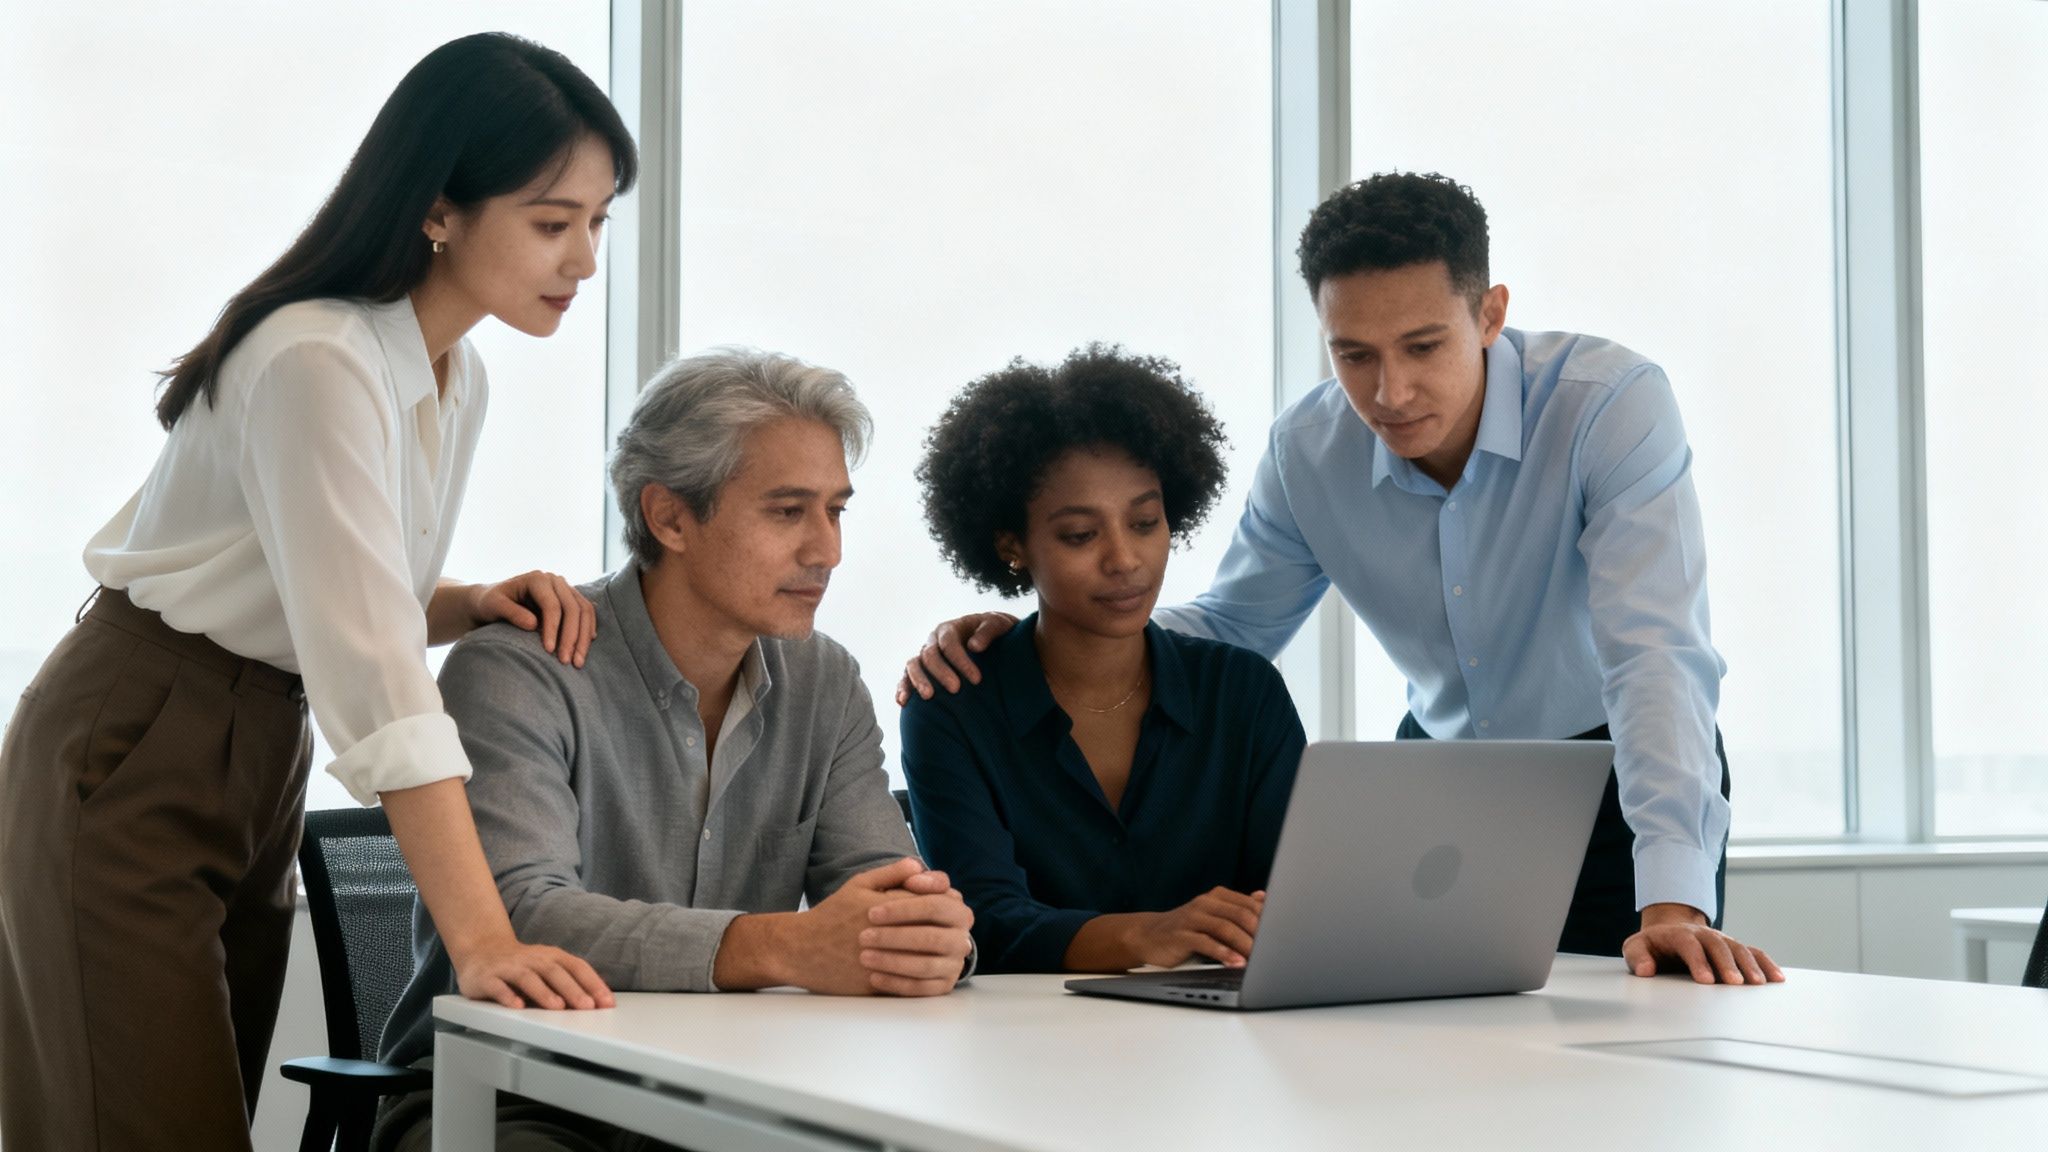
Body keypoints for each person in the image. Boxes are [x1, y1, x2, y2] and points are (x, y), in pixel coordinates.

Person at [902, 172, 1785, 987]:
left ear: (1490, 315)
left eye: (1422, 345)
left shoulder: (1607, 405)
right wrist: (1034, 638)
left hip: (1618, 770)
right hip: (1437, 782)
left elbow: (1655, 656)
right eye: (1353, 354)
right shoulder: (1309, 450)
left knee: (1619, 1046)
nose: (1390, 392)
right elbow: (1236, 624)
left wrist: (1673, 896)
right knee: (1427, 1042)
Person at [0, 33, 633, 1151]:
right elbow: (379, 680)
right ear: (439, 207)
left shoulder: (453, 369)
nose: (582, 259)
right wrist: (480, 938)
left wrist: (468, 600)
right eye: (551, 222)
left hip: (255, 741)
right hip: (144, 732)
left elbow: (343, 590)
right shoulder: (314, 357)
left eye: (596, 222)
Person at [372, 348, 975, 1152]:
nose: (827, 551)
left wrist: (930, 938)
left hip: (732, 1093)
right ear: (670, 517)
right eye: (788, 511)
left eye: (836, 511)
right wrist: (784, 945)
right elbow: (521, 917)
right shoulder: (517, 669)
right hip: (508, 1098)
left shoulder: (825, 681)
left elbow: (883, 893)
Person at [899, 346, 1305, 974]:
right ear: (1012, 543)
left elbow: (1299, 900)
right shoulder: (955, 706)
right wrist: (1144, 937)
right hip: (1021, 1045)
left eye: (1145, 521)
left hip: (1224, 1040)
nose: (1125, 559)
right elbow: (983, 920)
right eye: (1080, 535)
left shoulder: (1244, 693)